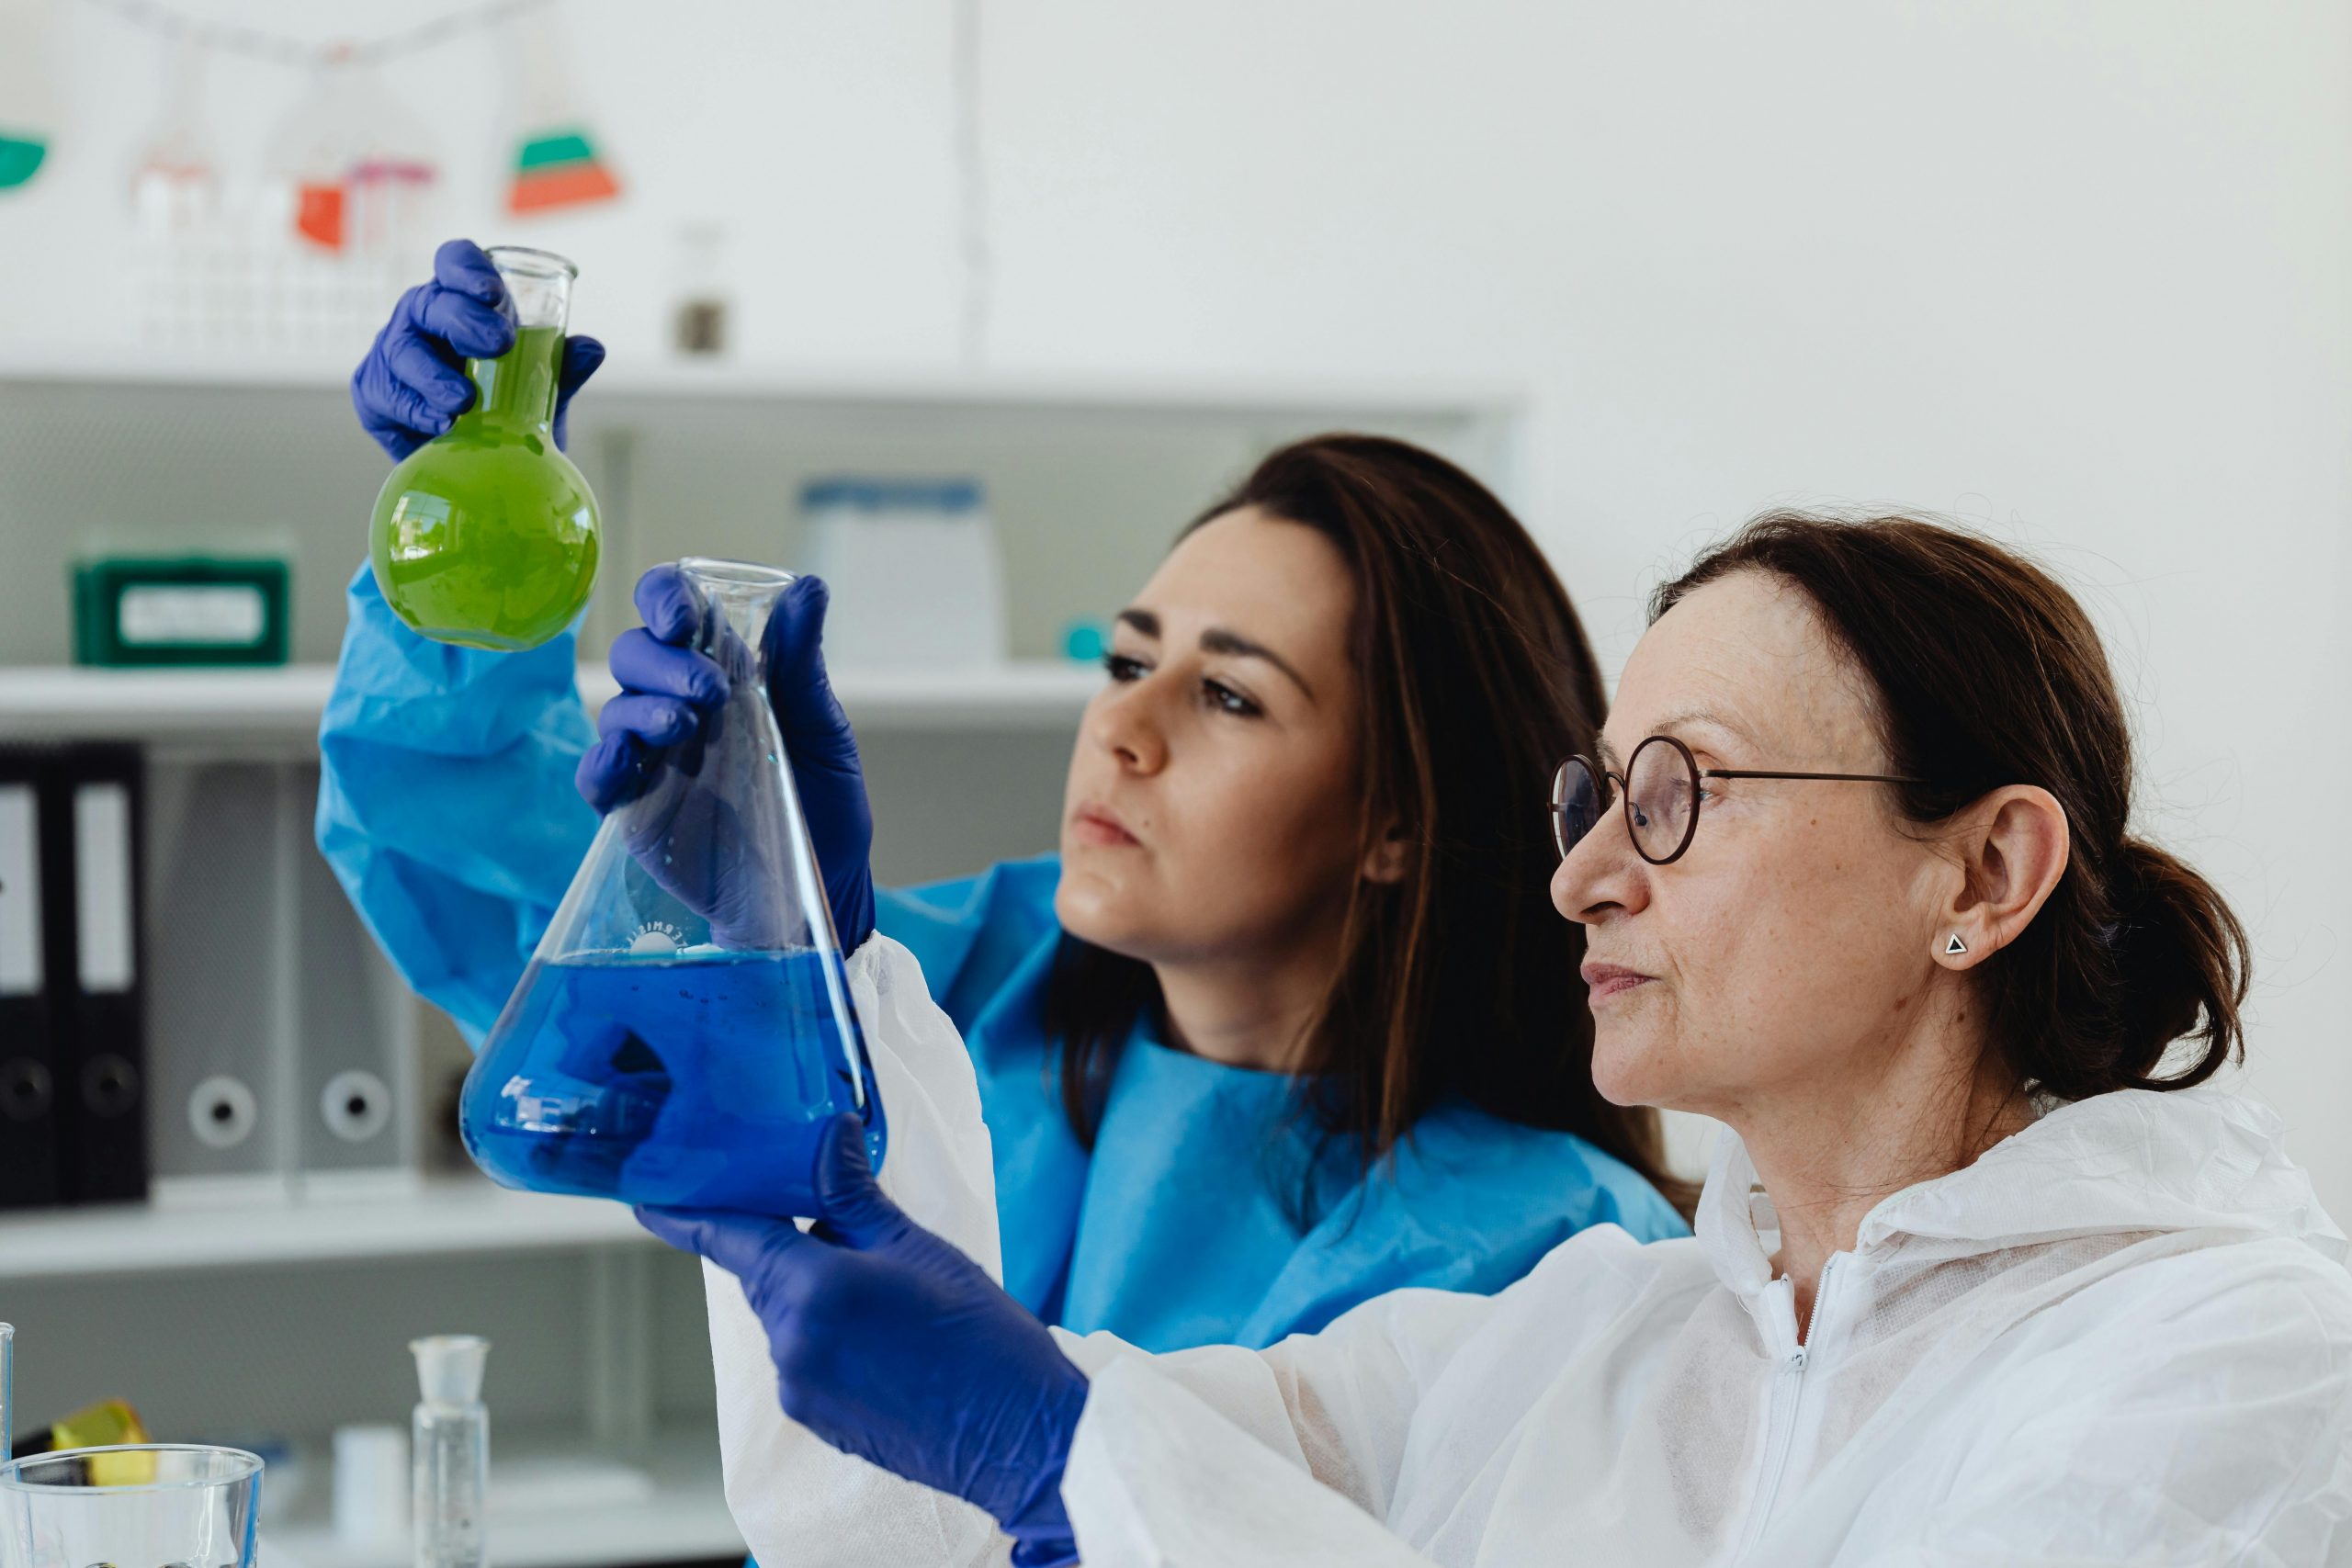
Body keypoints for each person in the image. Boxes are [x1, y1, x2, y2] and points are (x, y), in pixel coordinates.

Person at [639, 511, 2352, 1566]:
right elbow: (932, 1526)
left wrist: (1062, 1453)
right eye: (1593, 796)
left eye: (1681, 794)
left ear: (1984, 870)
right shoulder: (1595, 1342)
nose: (1587, 876)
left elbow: (1109, 1483)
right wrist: (806, 957)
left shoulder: (2237, 1357)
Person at [321, 240, 1688, 1360]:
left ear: (1398, 819)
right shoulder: (970, 994)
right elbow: (521, 931)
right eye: (1127, 659)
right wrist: (469, 591)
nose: (1122, 731)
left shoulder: (1558, 1260)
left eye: (1229, 695)